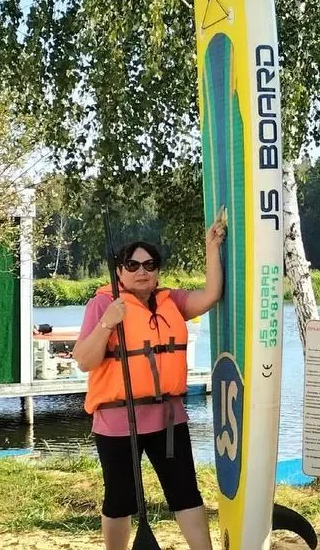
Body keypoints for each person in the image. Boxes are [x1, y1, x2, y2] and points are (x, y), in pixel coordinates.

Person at [74, 210, 226, 550]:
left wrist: (211, 247)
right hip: (117, 421)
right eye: (133, 265)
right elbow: (85, 361)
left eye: (150, 264)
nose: (142, 271)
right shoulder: (103, 305)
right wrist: (108, 323)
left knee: (185, 491)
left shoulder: (172, 301)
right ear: (119, 271)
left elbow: (211, 295)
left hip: (168, 420)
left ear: (157, 271)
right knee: (120, 499)